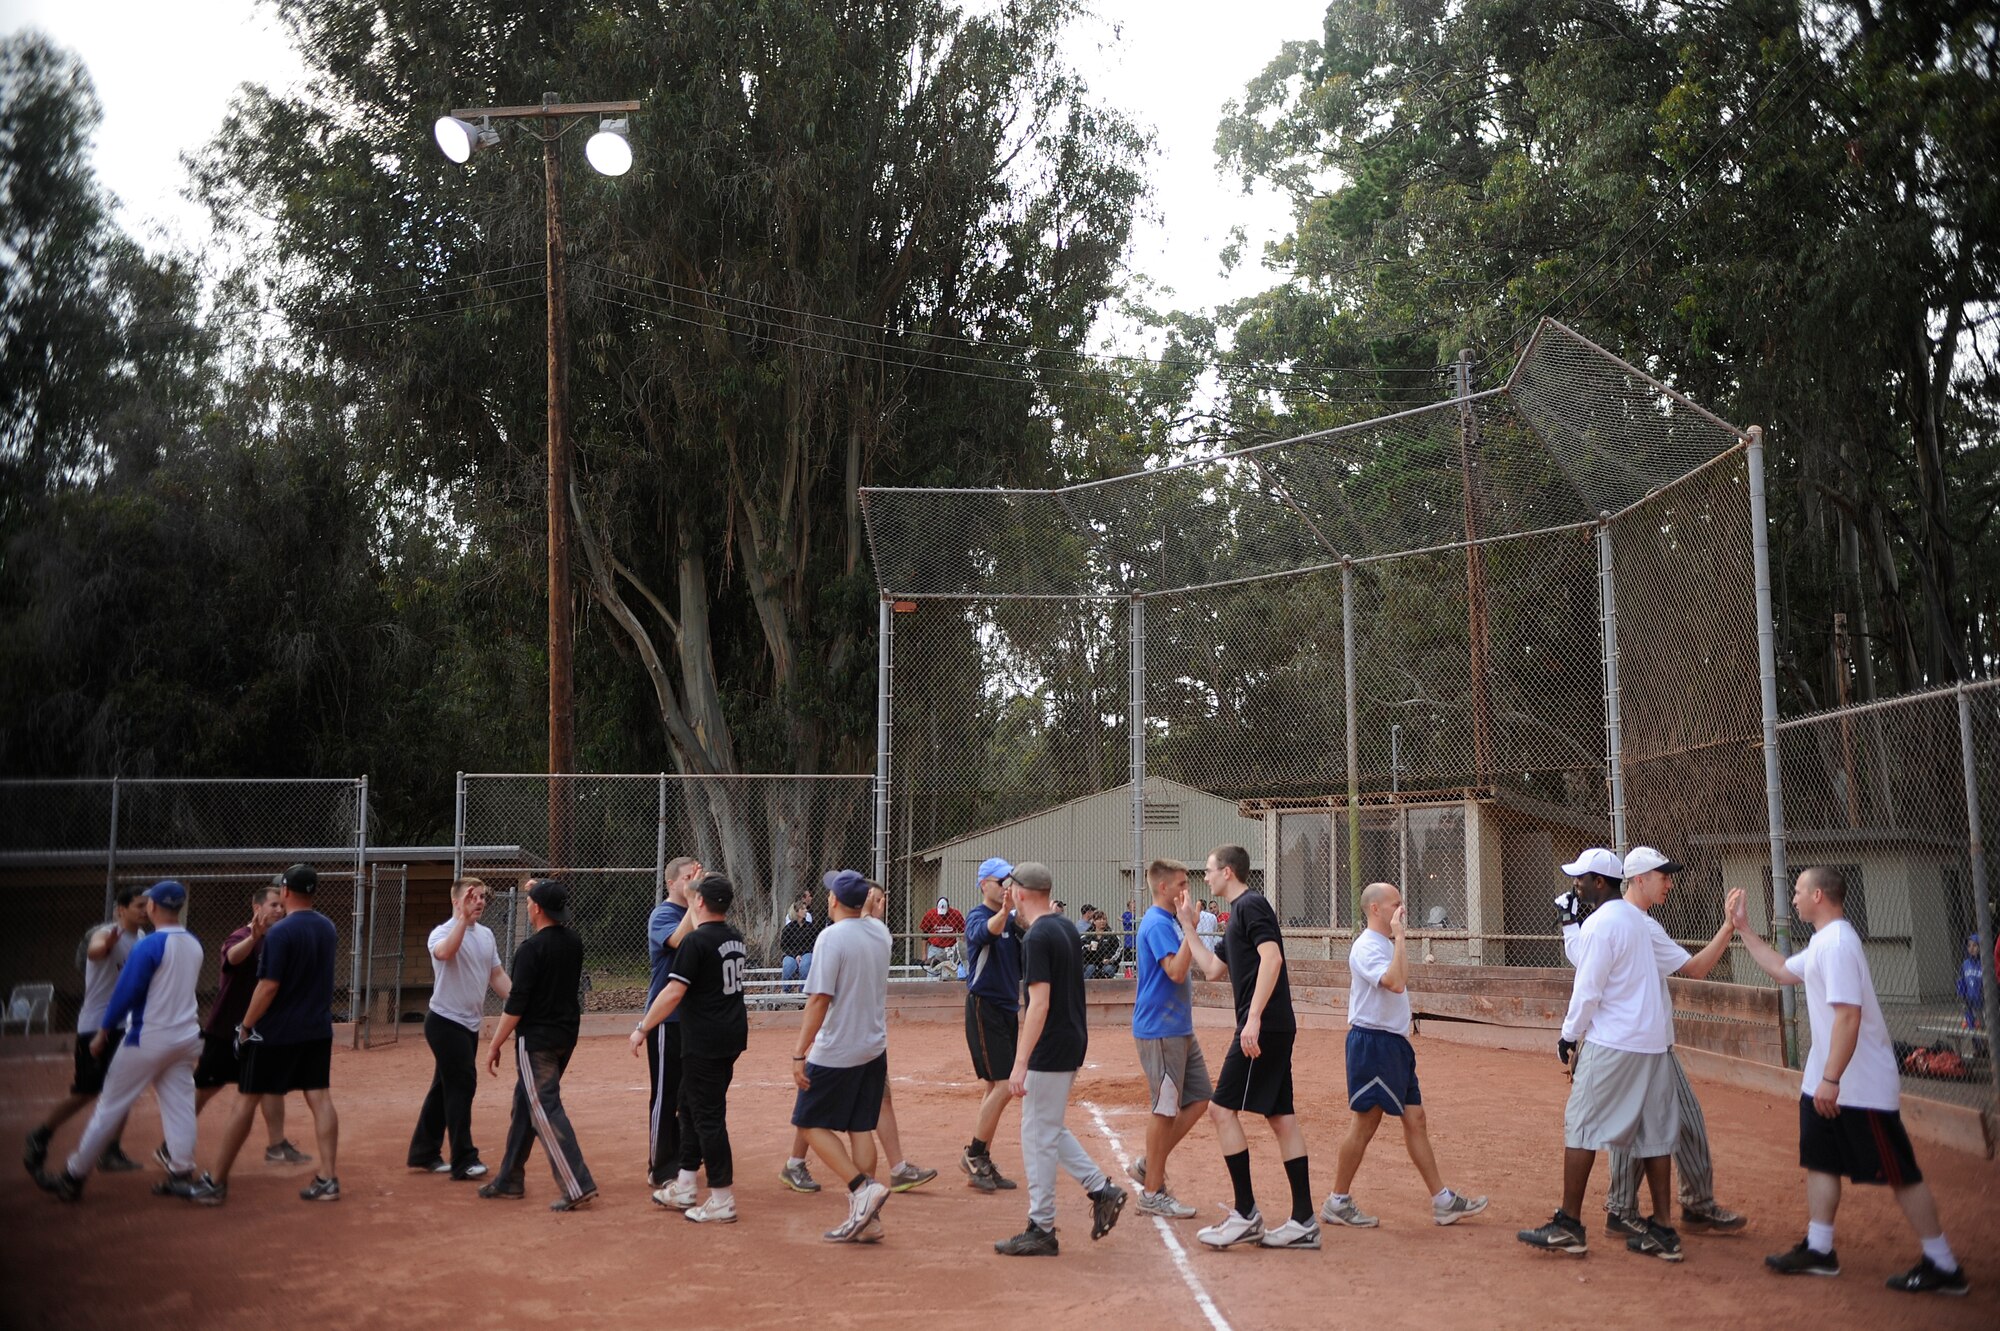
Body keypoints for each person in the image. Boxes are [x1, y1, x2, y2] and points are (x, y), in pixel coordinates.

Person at [1732, 868, 1969, 1295]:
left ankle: (1944, 1264)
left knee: (1900, 1173)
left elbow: (1848, 1015)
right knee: (1821, 1161)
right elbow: (1783, 971)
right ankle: (1821, 1250)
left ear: (1819, 895)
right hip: (1828, 1083)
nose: (1795, 898)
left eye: (1800, 891)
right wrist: (1744, 929)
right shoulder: (1824, 941)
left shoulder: (1839, 944)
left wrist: (1831, 1079)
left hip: (1857, 1087)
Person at [1517, 845, 1735, 1262]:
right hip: (1653, 1043)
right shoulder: (1638, 921)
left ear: (1601, 882)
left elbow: (1589, 987)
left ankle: (1569, 1225)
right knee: (1654, 1135)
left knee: (1580, 1126)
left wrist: (1568, 1036)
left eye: (1581, 879)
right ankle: (1663, 1231)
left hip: (1615, 1041)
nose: (1575, 885)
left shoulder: (1602, 924)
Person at [1320, 881, 1487, 1229]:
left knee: (1416, 1119)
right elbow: (1395, 982)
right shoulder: (1366, 947)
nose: (1402, 909)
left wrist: (1397, 940)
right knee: (1365, 1123)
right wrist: (1399, 939)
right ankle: (1338, 1200)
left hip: (1394, 1045)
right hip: (1373, 1043)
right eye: (1395, 904)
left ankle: (1442, 1202)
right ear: (1375, 910)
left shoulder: (1384, 943)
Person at [179, 863, 342, 1206]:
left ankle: (216, 1182)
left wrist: (247, 1026)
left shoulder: (281, 933)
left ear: (285, 891)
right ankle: (328, 1178)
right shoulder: (327, 927)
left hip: (276, 1032)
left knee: (246, 1101)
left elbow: (268, 987)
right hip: (316, 1028)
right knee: (320, 1098)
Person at [34, 881, 203, 1202]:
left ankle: (73, 1176)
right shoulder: (193, 943)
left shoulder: (149, 945)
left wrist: (104, 1031)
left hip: (147, 1037)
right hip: (185, 1038)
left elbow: (127, 992)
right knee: (180, 1106)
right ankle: (181, 1174)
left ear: (153, 907)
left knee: (109, 1107)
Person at [993, 862, 1126, 1256]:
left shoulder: (1039, 935)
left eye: (1011, 889)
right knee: (1048, 1127)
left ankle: (1042, 1226)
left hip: (1049, 1046)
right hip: (1070, 1040)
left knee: (1036, 1135)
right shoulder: (1062, 925)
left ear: (1020, 893)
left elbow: (1038, 1004)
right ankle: (1101, 1190)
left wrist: (1020, 1062)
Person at [1192, 845, 1319, 1251]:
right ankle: (1304, 1221)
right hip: (1272, 1026)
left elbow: (1272, 958)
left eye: (1209, 870)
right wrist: (1187, 928)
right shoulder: (1236, 916)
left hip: (1263, 1028)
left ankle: (1245, 1214)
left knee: (1220, 1109)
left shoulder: (1251, 905)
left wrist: (1253, 1018)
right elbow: (1212, 972)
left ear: (1227, 872)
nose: (1206, 876)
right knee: (1282, 1119)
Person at [634, 872, 749, 1223]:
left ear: (699, 902)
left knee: (708, 1117)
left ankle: (722, 1197)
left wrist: (642, 1028)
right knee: (688, 1103)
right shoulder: (735, 937)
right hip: (728, 1036)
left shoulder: (696, 943)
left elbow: (672, 992)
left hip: (705, 1041)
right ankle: (685, 1183)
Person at [789, 869, 895, 1243]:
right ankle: (870, 1218)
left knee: (808, 1121)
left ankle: (860, 1189)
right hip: (872, 1046)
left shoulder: (831, 938)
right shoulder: (881, 933)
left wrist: (799, 1052)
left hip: (837, 1049)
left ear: (834, 901)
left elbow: (819, 999)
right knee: (859, 1126)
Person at [479, 878, 596, 1210]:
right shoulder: (573, 942)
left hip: (538, 1041)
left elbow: (516, 1004)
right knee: (525, 1104)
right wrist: (538, 888)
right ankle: (510, 1178)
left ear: (537, 909)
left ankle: (576, 1184)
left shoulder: (530, 950)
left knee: (544, 1108)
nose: (528, 905)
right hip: (564, 1036)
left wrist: (494, 1044)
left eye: (530, 902)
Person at [24, 887, 149, 1178]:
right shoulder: (104, 932)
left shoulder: (142, 939)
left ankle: (111, 1151)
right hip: (95, 1026)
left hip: (124, 1026)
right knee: (86, 1091)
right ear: (121, 909)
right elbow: (94, 952)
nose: (144, 910)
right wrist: (106, 946)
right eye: (139, 905)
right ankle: (41, 1133)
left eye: (147, 905)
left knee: (123, 1090)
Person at [190, 883, 306, 1165]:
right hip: (227, 1028)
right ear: (257, 908)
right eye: (273, 905)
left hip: (262, 1031)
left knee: (270, 1086)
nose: (280, 909)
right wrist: (253, 937)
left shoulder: (278, 940)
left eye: (282, 905)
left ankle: (276, 1145)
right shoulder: (241, 936)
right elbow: (232, 957)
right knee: (206, 1088)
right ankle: (173, 1141)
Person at [407, 876, 510, 1181]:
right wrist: (462, 921)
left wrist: (521, 1003)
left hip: (469, 1025)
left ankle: (423, 1152)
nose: (479, 901)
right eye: (472, 897)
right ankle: (464, 1159)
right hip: (443, 1022)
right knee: (462, 1084)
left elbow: (498, 976)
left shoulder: (487, 935)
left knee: (444, 1088)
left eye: (480, 897)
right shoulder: (441, 933)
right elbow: (445, 953)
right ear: (457, 901)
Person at [1124, 858, 1211, 1220]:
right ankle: (1152, 1192)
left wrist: (1187, 927)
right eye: (1180, 885)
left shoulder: (1169, 922)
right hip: (1160, 1029)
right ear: (1163, 888)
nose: (1185, 891)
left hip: (1177, 1028)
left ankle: (1150, 1164)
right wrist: (1190, 927)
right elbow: (1176, 972)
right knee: (1164, 1109)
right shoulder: (1159, 923)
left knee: (1201, 1097)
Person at [960, 857, 1024, 1194]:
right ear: (985, 884)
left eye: (1009, 882)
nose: (1007, 887)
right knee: (1002, 1085)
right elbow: (985, 933)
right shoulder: (979, 915)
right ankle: (974, 1154)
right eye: (1002, 882)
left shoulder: (1011, 921)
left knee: (993, 1087)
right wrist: (1007, 913)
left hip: (1006, 1008)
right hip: (984, 1007)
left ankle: (981, 1157)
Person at [646, 856, 701, 1190]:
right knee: (665, 1094)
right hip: (667, 1019)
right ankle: (660, 1165)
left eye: (696, 877)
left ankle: (684, 1158)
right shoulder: (664, 914)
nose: (692, 883)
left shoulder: (697, 911)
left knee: (690, 1094)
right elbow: (680, 940)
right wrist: (697, 899)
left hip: (693, 1019)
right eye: (687, 878)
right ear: (671, 883)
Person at [780, 901, 816, 993]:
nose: (806, 911)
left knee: (805, 965)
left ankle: (802, 991)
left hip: (806, 953)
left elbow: (813, 944)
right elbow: (784, 946)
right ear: (797, 912)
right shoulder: (789, 928)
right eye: (803, 909)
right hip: (791, 954)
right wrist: (796, 955)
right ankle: (785, 991)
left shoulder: (810, 927)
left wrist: (802, 954)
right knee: (788, 965)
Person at [921, 896, 965, 966]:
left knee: (949, 972)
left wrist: (961, 950)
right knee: (932, 972)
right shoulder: (930, 914)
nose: (942, 916)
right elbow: (925, 935)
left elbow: (962, 932)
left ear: (948, 908)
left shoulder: (956, 915)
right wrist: (924, 954)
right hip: (935, 947)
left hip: (950, 948)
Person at [1083, 913, 1121, 980]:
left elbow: (1118, 949)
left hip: (1107, 963)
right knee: (1090, 969)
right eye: (1099, 919)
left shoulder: (1112, 935)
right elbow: (1080, 948)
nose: (1102, 921)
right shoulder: (1087, 935)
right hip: (1091, 962)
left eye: (1104, 919)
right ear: (1094, 922)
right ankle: (1086, 988)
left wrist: (1110, 960)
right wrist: (1087, 948)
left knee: (1108, 969)